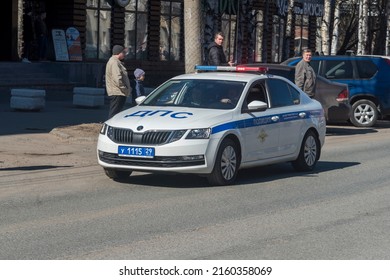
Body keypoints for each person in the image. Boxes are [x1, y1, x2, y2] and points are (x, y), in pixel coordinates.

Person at [105, 45, 132, 119]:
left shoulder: (115, 62)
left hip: (118, 91)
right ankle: (111, 129)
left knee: (116, 113)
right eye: (123, 52)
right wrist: (124, 89)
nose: (124, 54)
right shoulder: (114, 62)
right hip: (117, 92)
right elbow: (117, 78)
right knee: (114, 114)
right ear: (119, 53)